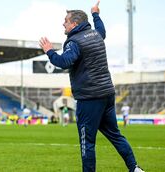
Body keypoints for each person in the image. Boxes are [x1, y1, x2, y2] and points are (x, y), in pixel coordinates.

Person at [39, 1, 144, 172]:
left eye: (65, 21)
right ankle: (135, 168)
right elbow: (102, 30)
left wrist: (49, 51)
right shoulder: (96, 34)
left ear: (75, 23)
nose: (63, 24)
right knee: (116, 135)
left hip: (89, 98)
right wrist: (95, 13)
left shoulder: (74, 41)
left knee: (87, 142)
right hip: (107, 94)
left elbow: (64, 62)